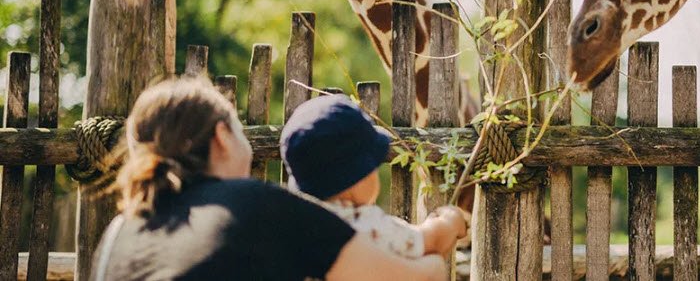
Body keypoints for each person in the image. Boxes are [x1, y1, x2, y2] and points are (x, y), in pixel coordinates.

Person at [92, 77, 447, 281]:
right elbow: (408, 277)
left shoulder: (119, 232)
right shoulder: (253, 204)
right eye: (239, 129)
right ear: (222, 137)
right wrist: (437, 259)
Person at [280, 94, 468, 259]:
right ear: (355, 179)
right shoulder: (366, 226)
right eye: (374, 166)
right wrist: (450, 220)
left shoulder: (287, 223)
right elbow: (431, 241)